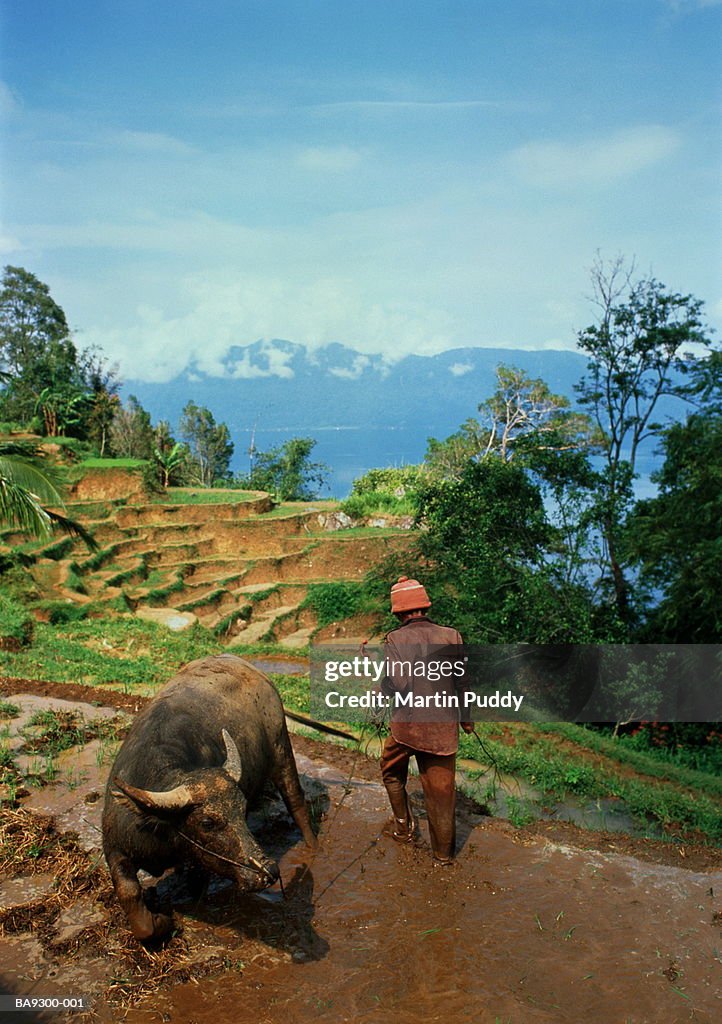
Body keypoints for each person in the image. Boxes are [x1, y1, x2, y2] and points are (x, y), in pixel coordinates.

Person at [378, 575, 473, 865]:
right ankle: (443, 858)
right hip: (443, 732)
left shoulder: (395, 639)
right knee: (441, 796)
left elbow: (399, 683)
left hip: (407, 728)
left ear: (398, 611)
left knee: (391, 770)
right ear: (425, 606)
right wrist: (467, 720)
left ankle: (404, 828)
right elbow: (463, 684)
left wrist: (382, 689)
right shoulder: (451, 635)